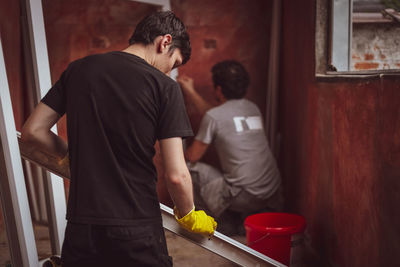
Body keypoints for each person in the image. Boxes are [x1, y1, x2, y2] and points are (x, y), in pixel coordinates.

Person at [21, 11, 216, 267]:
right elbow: (177, 175)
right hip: (136, 225)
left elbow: (32, 132)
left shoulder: (78, 70)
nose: (171, 72)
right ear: (165, 42)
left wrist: (72, 156)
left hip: (83, 225)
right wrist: (189, 214)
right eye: (175, 64)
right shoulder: (164, 87)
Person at [177, 60, 283, 235]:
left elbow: (193, 156)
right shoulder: (252, 108)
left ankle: (223, 224)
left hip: (244, 196)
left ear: (218, 89)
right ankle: (245, 219)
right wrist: (191, 91)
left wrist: (173, 151)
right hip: (271, 193)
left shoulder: (214, 117)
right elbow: (219, 116)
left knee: (188, 171)